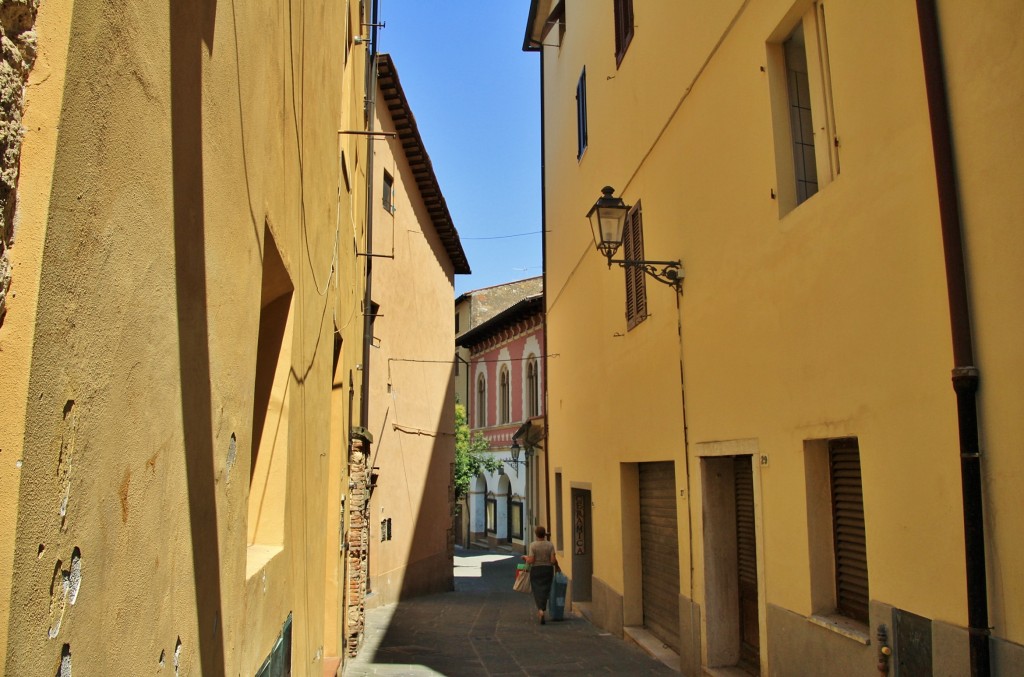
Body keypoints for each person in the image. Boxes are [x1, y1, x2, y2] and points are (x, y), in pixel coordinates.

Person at [524, 526, 559, 625]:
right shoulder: (550, 545)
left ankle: (540, 610)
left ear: (536, 534)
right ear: (544, 534)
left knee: (537, 590)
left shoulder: (533, 545)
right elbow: (552, 560)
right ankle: (542, 608)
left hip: (536, 570)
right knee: (545, 590)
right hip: (547, 570)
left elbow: (531, 560)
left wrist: (525, 558)